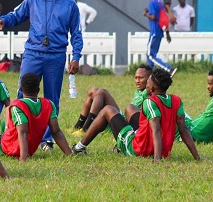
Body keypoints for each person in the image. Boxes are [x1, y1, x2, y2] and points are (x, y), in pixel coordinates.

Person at [0, 0, 82, 151]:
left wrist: (76, 57)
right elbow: (16, 15)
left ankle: (47, 140)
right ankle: (16, 132)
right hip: (33, 53)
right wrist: (4, 21)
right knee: (22, 93)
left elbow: (76, 34)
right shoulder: (33, 0)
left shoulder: (69, 4)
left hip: (56, 55)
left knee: (51, 98)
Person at [72, 68, 201, 161]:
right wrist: (197, 157)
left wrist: (157, 159)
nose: (146, 85)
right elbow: (183, 129)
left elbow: (156, 130)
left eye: (148, 82)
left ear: (152, 88)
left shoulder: (149, 102)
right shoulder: (176, 100)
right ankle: (119, 146)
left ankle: (79, 147)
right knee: (131, 108)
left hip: (139, 149)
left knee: (108, 110)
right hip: (162, 149)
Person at [0, 73, 72, 161]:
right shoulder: (49, 105)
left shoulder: (17, 106)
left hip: (9, 149)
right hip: (29, 150)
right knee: (6, 122)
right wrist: (69, 153)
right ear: (38, 89)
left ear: (21, 89)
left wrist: (23, 159)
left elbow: (23, 133)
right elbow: (56, 131)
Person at [71, 64, 153, 137]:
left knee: (102, 92)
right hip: (124, 118)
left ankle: (86, 129)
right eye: (136, 78)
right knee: (93, 90)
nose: (137, 81)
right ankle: (78, 126)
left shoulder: (149, 91)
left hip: (126, 123)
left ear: (149, 79)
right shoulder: (139, 91)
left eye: (141, 78)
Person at [143, 0, 177, 77]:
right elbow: (163, 18)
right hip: (159, 32)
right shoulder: (159, 2)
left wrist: (146, 14)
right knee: (150, 55)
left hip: (154, 32)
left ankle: (169, 69)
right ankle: (150, 75)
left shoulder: (152, 2)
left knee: (150, 55)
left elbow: (154, 17)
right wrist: (167, 32)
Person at [179, 70, 213, 143]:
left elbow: (202, 121)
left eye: (210, 84)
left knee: (173, 109)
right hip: (194, 128)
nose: (208, 87)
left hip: (192, 133)